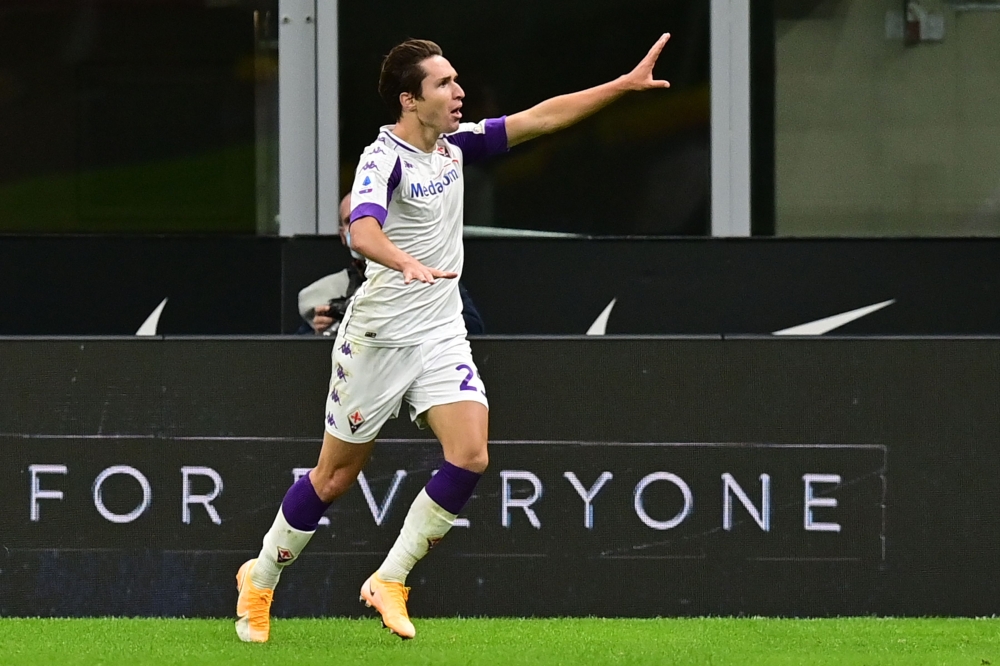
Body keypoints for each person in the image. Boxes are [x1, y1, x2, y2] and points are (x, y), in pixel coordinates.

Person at [235, 33, 671, 642]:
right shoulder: (380, 159)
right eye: (444, 84)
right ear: (410, 100)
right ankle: (259, 580)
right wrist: (402, 261)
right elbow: (362, 230)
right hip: (380, 337)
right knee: (333, 478)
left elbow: (540, 119)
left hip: (440, 329)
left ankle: (390, 578)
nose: (459, 91)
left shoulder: (454, 148)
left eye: (456, 80)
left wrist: (622, 87)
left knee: (470, 455)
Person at [298, 194, 485, 335]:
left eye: (367, 217)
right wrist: (319, 333)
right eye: (350, 220)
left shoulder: (425, 275)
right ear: (342, 235)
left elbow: (473, 328)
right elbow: (291, 353)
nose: (358, 226)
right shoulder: (323, 291)